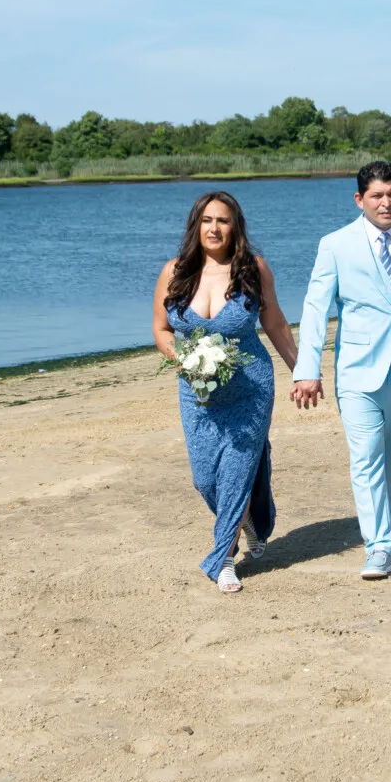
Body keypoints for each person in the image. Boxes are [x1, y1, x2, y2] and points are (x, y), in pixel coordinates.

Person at [291, 159, 391, 579]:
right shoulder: (335, 245)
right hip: (357, 371)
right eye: (376, 195)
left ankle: (383, 529)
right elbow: (315, 309)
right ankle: (379, 545)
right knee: (365, 459)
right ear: (359, 200)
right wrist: (308, 369)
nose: (385, 203)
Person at [153, 191, 300, 593]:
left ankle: (224, 559)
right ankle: (249, 519)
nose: (214, 228)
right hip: (197, 393)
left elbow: (275, 323)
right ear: (195, 226)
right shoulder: (174, 272)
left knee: (235, 474)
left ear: (236, 226)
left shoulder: (253, 269)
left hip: (250, 389)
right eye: (206, 220)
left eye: (223, 220)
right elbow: (161, 329)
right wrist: (180, 358)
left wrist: (302, 371)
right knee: (205, 479)